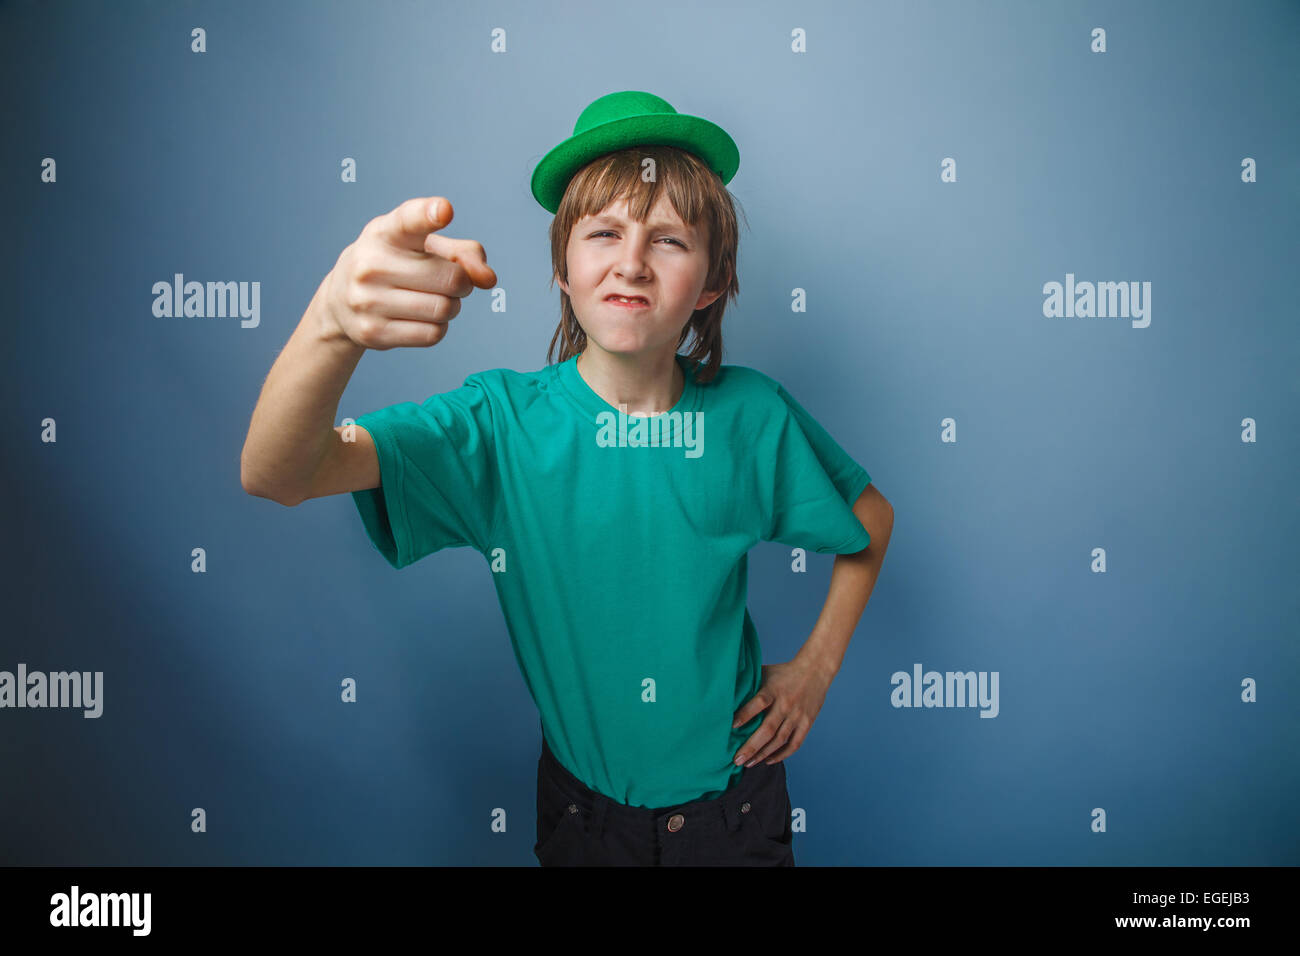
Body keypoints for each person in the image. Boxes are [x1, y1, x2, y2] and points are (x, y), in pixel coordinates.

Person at [240, 90, 895, 866]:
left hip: (735, 816)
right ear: (563, 265)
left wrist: (817, 667)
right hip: (584, 821)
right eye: (605, 232)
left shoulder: (753, 419)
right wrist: (331, 325)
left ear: (713, 283)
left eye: (669, 240)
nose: (631, 261)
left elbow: (870, 520)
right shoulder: (498, 427)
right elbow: (279, 472)